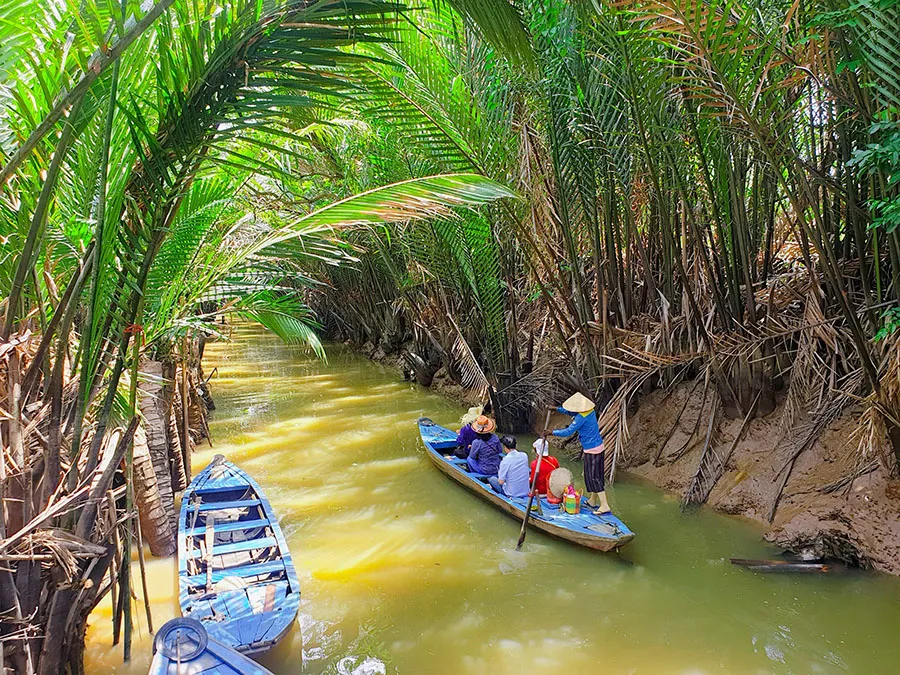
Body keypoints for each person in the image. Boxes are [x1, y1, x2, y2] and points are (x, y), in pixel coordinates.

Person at [549, 392, 610, 515]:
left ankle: (605, 505)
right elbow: (570, 412)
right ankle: (593, 500)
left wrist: (552, 432)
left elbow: (568, 431)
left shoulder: (580, 418)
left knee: (593, 477)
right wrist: (557, 409)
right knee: (594, 476)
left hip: (592, 450)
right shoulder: (589, 411)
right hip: (597, 447)